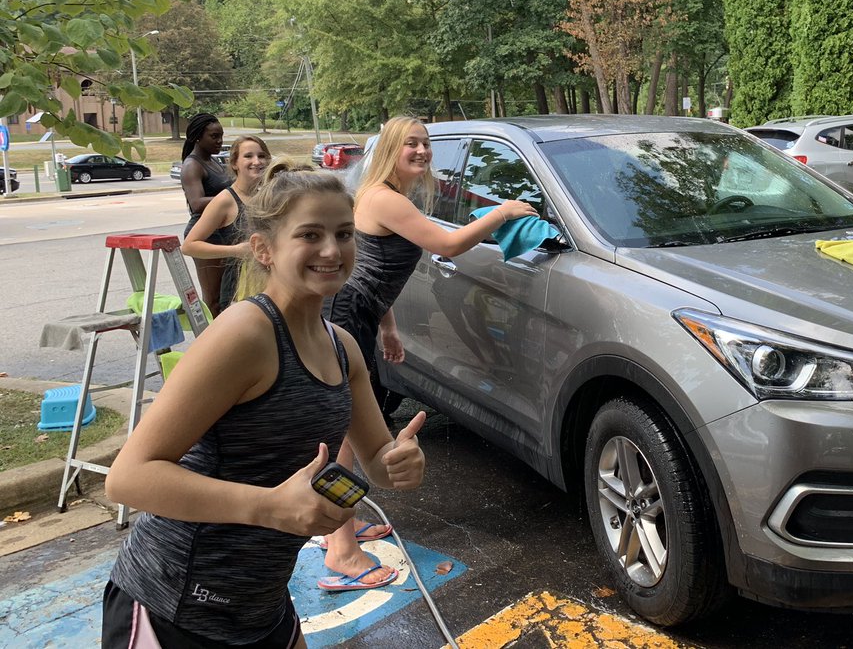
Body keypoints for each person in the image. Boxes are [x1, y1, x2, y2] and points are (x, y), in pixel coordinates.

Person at [102, 160, 427, 648]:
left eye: (344, 233)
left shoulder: (342, 346)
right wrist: (269, 507)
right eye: (310, 235)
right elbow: (128, 478)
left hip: (263, 603)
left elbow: (378, 464)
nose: (331, 250)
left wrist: (399, 462)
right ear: (264, 249)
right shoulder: (245, 334)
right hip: (174, 605)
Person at [319, 115, 536, 590]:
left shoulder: (392, 198)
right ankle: (340, 548)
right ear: (390, 151)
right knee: (342, 430)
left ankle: (342, 523)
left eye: (424, 144)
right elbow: (449, 244)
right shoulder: (383, 198)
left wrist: (389, 328)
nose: (421, 151)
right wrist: (502, 212)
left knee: (348, 429)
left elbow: (373, 269)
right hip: (344, 317)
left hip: (359, 313)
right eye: (410, 144)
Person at [181, 135, 271, 314]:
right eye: (248, 156)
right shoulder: (225, 200)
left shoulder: (268, 197)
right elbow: (189, 246)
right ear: (234, 163)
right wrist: (236, 250)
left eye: (261, 156)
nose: (256, 161)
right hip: (239, 293)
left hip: (269, 288)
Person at [180, 113, 233, 315]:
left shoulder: (213, 162)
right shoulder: (192, 165)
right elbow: (196, 203)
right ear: (197, 137)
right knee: (214, 300)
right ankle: (209, 343)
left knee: (227, 295)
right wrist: (232, 199)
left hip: (223, 232)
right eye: (214, 136)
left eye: (221, 135)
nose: (220, 141)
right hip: (204, 234)